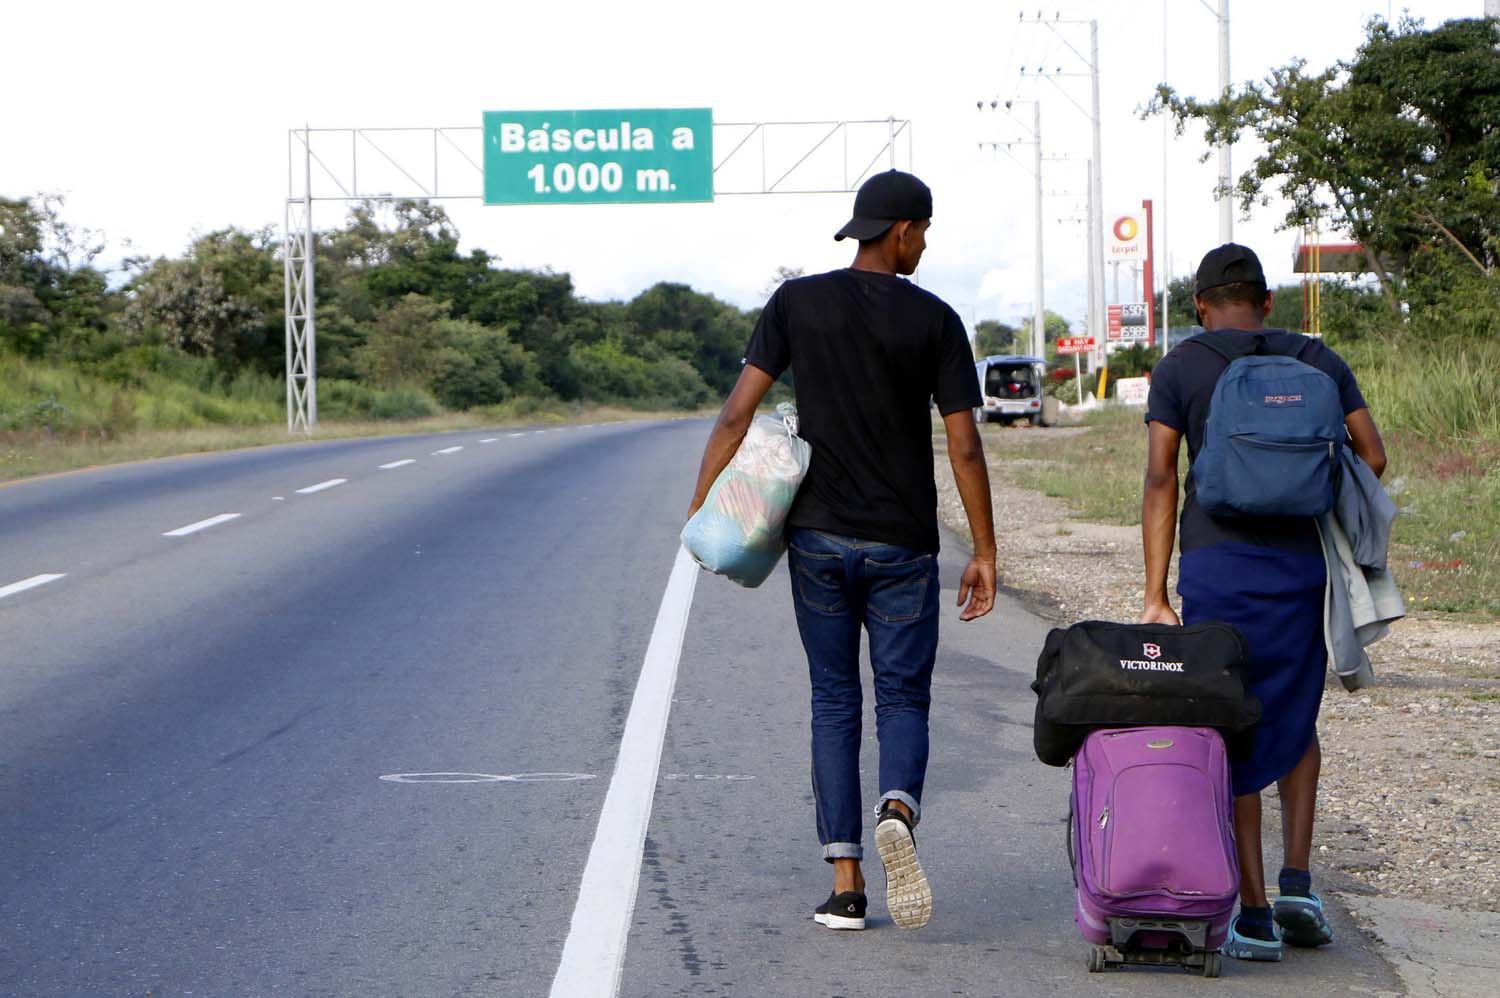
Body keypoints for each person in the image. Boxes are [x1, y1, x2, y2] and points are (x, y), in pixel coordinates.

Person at [686, 170, 998, 931]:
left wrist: (704, 509)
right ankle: (898, 806)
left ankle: (848, 884)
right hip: (901, 545)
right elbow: (963, 447)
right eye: (923, 231)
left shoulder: (797, 302)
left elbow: (735, 416)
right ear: (901, 232)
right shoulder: (936, 321)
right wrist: (985, 550)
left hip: (817, 539)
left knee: (833, 699)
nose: (924, 244)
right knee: (901, 697)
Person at [1140, 243, 1387, 961]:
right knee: (1295, 709)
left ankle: (1252, 911)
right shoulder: (1316, 358)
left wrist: (1156, 593)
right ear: (1267, 300)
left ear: (1201, 306)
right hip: (1301, 565)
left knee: (1233, 718)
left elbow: (1160, 478)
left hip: (1217, 564)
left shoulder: (1180, 366)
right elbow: (1372, 454)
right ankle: (1299, 883)